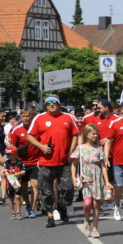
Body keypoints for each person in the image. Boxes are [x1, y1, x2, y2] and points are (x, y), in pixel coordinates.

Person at [26, 95, 80, 228]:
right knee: (46, 190)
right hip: (46, 162)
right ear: (45, 105)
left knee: (68, 188)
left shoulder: (68, 117)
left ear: (59, 104)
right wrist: (41, 146)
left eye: (54, 102)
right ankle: (50, 216)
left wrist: (70, 152)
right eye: (49, 103)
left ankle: (62, 206)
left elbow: (75, 135)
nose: (52, 105)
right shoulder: (40, 118)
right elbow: (29, 136)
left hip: (64, 161)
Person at [72, 123, 111, 238]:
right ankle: (86, 221)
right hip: (86, 179)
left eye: (96, 133)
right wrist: (74, 177)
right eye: (93, 133)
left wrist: (107, 181)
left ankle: (95, 228)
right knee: (87, 203)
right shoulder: (80, 148)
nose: (95, 135)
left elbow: (103, 166)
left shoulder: (99, 148)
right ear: (87, 134)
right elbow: (74, 164)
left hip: (97, 178)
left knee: (95, 204)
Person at [8, 107, 40, 218]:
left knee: (35, 185)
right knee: (24, 188)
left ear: (31, 117)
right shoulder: (17, 130)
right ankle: (28, 205)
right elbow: (13, 147)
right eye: (23, 116)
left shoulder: (37, 128)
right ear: (20, 117)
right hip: (22, 163)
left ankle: (33, 208)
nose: (26, 118)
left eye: (28, 116)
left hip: (36, 161)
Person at [3, 147, 25, 220]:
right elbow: (5, 171)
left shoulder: (19, 162)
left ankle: (18, 212)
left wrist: (17, 174)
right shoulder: (6, 163)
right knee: (11, 198)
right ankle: (13, 213)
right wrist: (9, 177)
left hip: (17, 182)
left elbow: (23, 171)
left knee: (18, 197)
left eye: (10, 154)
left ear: (15, 154)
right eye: (7, 155)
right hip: (9, 183)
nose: (8, 156)